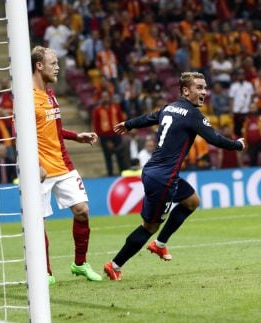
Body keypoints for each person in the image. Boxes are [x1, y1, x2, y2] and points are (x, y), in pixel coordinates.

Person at [106, 72, 245, 281]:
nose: (204, 92)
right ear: (186, 90)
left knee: (192, 201)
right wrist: (238, 145)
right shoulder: (192, 114)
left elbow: (149, 118)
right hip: (164, 179)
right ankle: (114, 265)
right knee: (149, 226)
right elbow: (214, 138)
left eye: (205, 87)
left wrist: (129, 124)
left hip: (156, 172)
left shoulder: (169, 108)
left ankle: (159, 244)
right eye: (199, 87)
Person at [31, 46, 102, 284]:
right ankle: (45, 272)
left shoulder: (50, 94)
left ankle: (80, 264)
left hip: (63, 164)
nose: (57, 66)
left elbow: (54, 129)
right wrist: (36, 163)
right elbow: (20, 134)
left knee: (82, 211)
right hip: (39, 170)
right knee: (38, 222)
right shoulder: (25, 97)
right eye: (53, 63)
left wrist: (76, 136)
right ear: (39, 65)